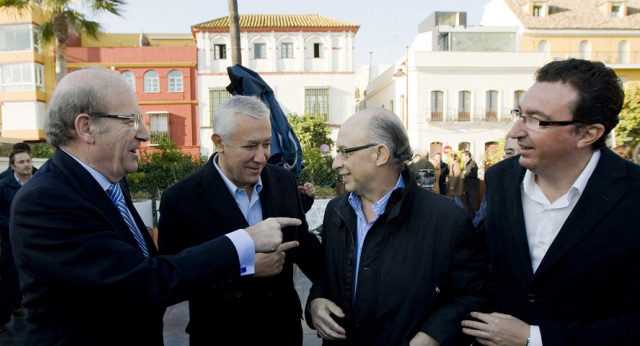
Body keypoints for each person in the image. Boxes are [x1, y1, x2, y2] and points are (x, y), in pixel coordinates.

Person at [9, 68, 296, 346]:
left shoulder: (111, 183)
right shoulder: (45, 202)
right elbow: (145, 280)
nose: (145, 134)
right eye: (130, 120)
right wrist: (245, 243)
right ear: (86, 128)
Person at [462, 59, 640, 345]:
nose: (515, 132)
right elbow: (481, 271)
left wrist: (535, 338)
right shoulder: (500, 178)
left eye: (537, 120)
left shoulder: (633, 195)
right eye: (520, 115)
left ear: (588, 134)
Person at [306, 107, 490, 345]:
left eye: (344, 152)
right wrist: (316, 300)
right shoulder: (336, 211)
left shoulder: (447, 220)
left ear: (380, 154)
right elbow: (327, 274)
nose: (335, 163)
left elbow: (474, 295)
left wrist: (433, 335)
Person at [157, 95, 322, 346]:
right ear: (219, 142)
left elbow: (305, 246)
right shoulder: (180, 199)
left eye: (266, 144)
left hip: (283, 332)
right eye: (250, 146)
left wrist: (327, 291)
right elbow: (174, 280)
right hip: (221, 335)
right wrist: (245, 268)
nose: (261, 157)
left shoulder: (283, 181)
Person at [0, 149, 32, 333]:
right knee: (10, 281)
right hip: (11, 242)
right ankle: (2, 319)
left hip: (36, 241)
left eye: (28, 160)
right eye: (21, 162)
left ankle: (23, 306)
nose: (26, 164)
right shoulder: (3, 186)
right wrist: (14, 225)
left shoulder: (40, 181)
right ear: (12, 166)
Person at [473, 136, 518, 228]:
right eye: (509, 153)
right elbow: (479, 224)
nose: (516, 157)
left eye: (523, 150)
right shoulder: (496, 184)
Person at [461, 151, 479, 219]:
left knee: (472, 204)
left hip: (472, 187)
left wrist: (466, 173)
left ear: (467, 156)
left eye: (463, 156)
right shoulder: (467, 164)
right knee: (468, 203)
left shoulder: (473, 164)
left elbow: (474, 174)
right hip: (468, 187)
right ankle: (469, 217)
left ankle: (473, 219)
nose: (462, 158)